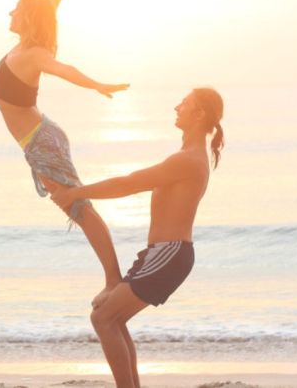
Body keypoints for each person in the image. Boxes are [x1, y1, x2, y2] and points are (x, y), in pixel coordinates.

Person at [51, 87, 225, 388]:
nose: (176, 107)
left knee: (104, 319)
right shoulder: (187, 157)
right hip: (162, 254)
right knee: (111, 319)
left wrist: (75, 193)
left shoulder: (188, 160)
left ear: (200, 114)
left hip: (169, 255)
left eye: (184, 103)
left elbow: (128, 184)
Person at [0, 0, 128, 291]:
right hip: (39, 138)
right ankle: (113, 277)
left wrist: (97, 84)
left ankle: (114, 279)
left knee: (79, 208)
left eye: (17, 9)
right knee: (77, 206)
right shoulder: (25, 47)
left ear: (28, 17)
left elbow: (65, 70)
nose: (11, 12)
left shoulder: (36, 54)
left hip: (41, 142)